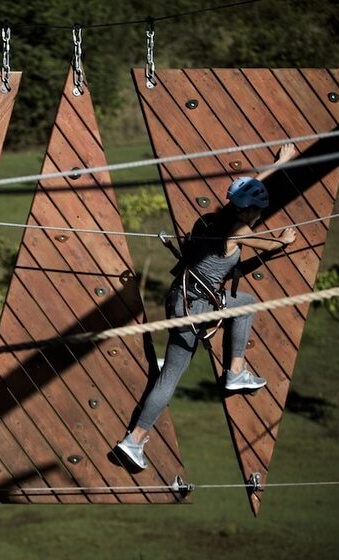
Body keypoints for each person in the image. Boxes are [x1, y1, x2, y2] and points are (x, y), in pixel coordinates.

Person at [116, 144, 299, 470]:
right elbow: (270, 244)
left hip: (179, 297)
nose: (259, 216)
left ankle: (134, 440)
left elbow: (247, 191)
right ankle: (235, 372)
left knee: (169, 376)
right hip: (197, 307)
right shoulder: (239, 230)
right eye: (257, 212)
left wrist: (280, 163)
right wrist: (284, 240)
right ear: (247, 212)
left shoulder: (216, 219)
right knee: (245, 304)